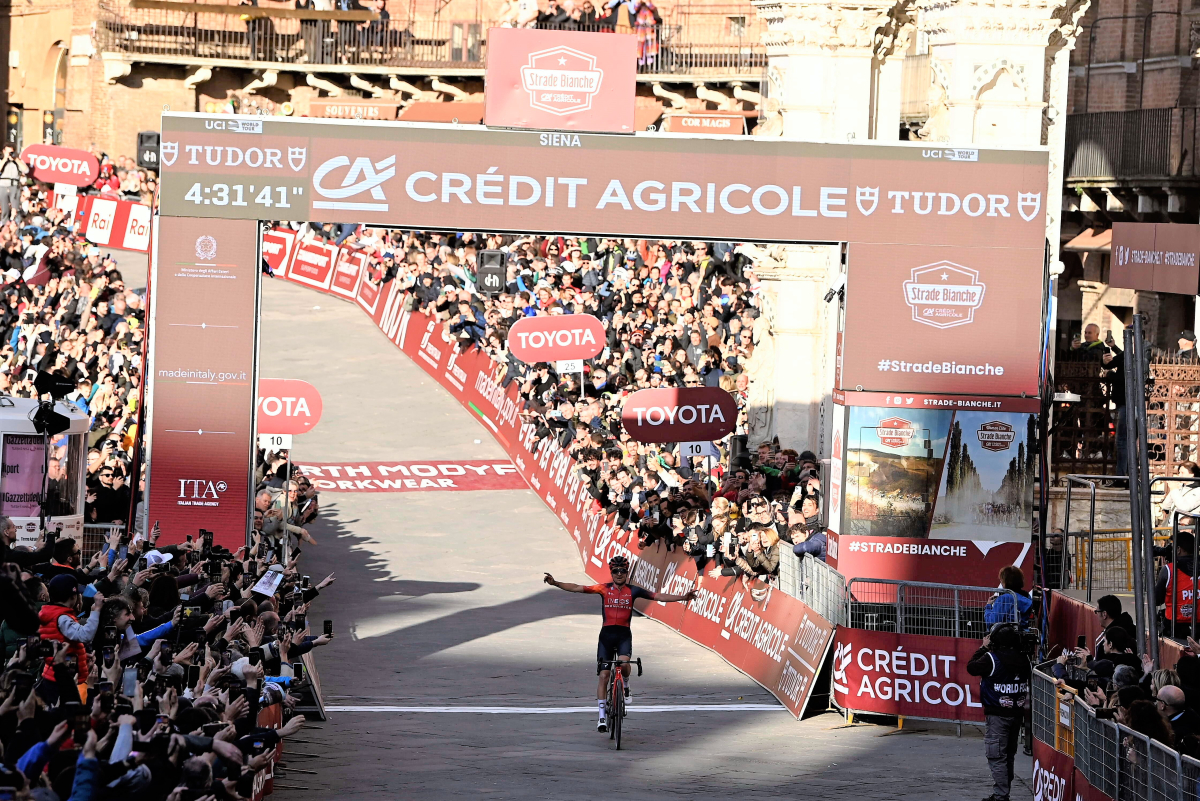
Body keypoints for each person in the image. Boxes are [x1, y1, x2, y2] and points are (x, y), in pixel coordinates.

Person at [543, 554, 695, 732]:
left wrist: (683, 597)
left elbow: (658, 596)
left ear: (627, 572)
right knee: (604, 676)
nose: (619, 574)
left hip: (623, 635)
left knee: (623, 664)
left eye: (622, 570)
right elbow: (577, 587)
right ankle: (601, 718)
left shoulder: (634, 591)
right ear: (611, 572)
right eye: (616, 571)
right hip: (606, 636)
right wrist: (556, 583)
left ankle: (627, 684)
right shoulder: (603, 588)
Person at [967, 623, 1032, 801]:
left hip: (997, 715)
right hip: (1016, 715)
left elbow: (971, 667)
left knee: (996, 755)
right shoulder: (1024, 659)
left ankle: (1001, 795)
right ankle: (1003, 791)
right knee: (1008, 755)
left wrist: (983, 647)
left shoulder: (991, 658)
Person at [0, 146, 26, 224]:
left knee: (15, 208)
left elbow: (26, 170)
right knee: (5, 208)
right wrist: (5, 159)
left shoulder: (17, 162)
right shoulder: (1, 161)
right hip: (3, 185)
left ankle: (15, 224)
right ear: (4, 151)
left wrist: (16, 159)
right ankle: (5, 224)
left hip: (14, 185)